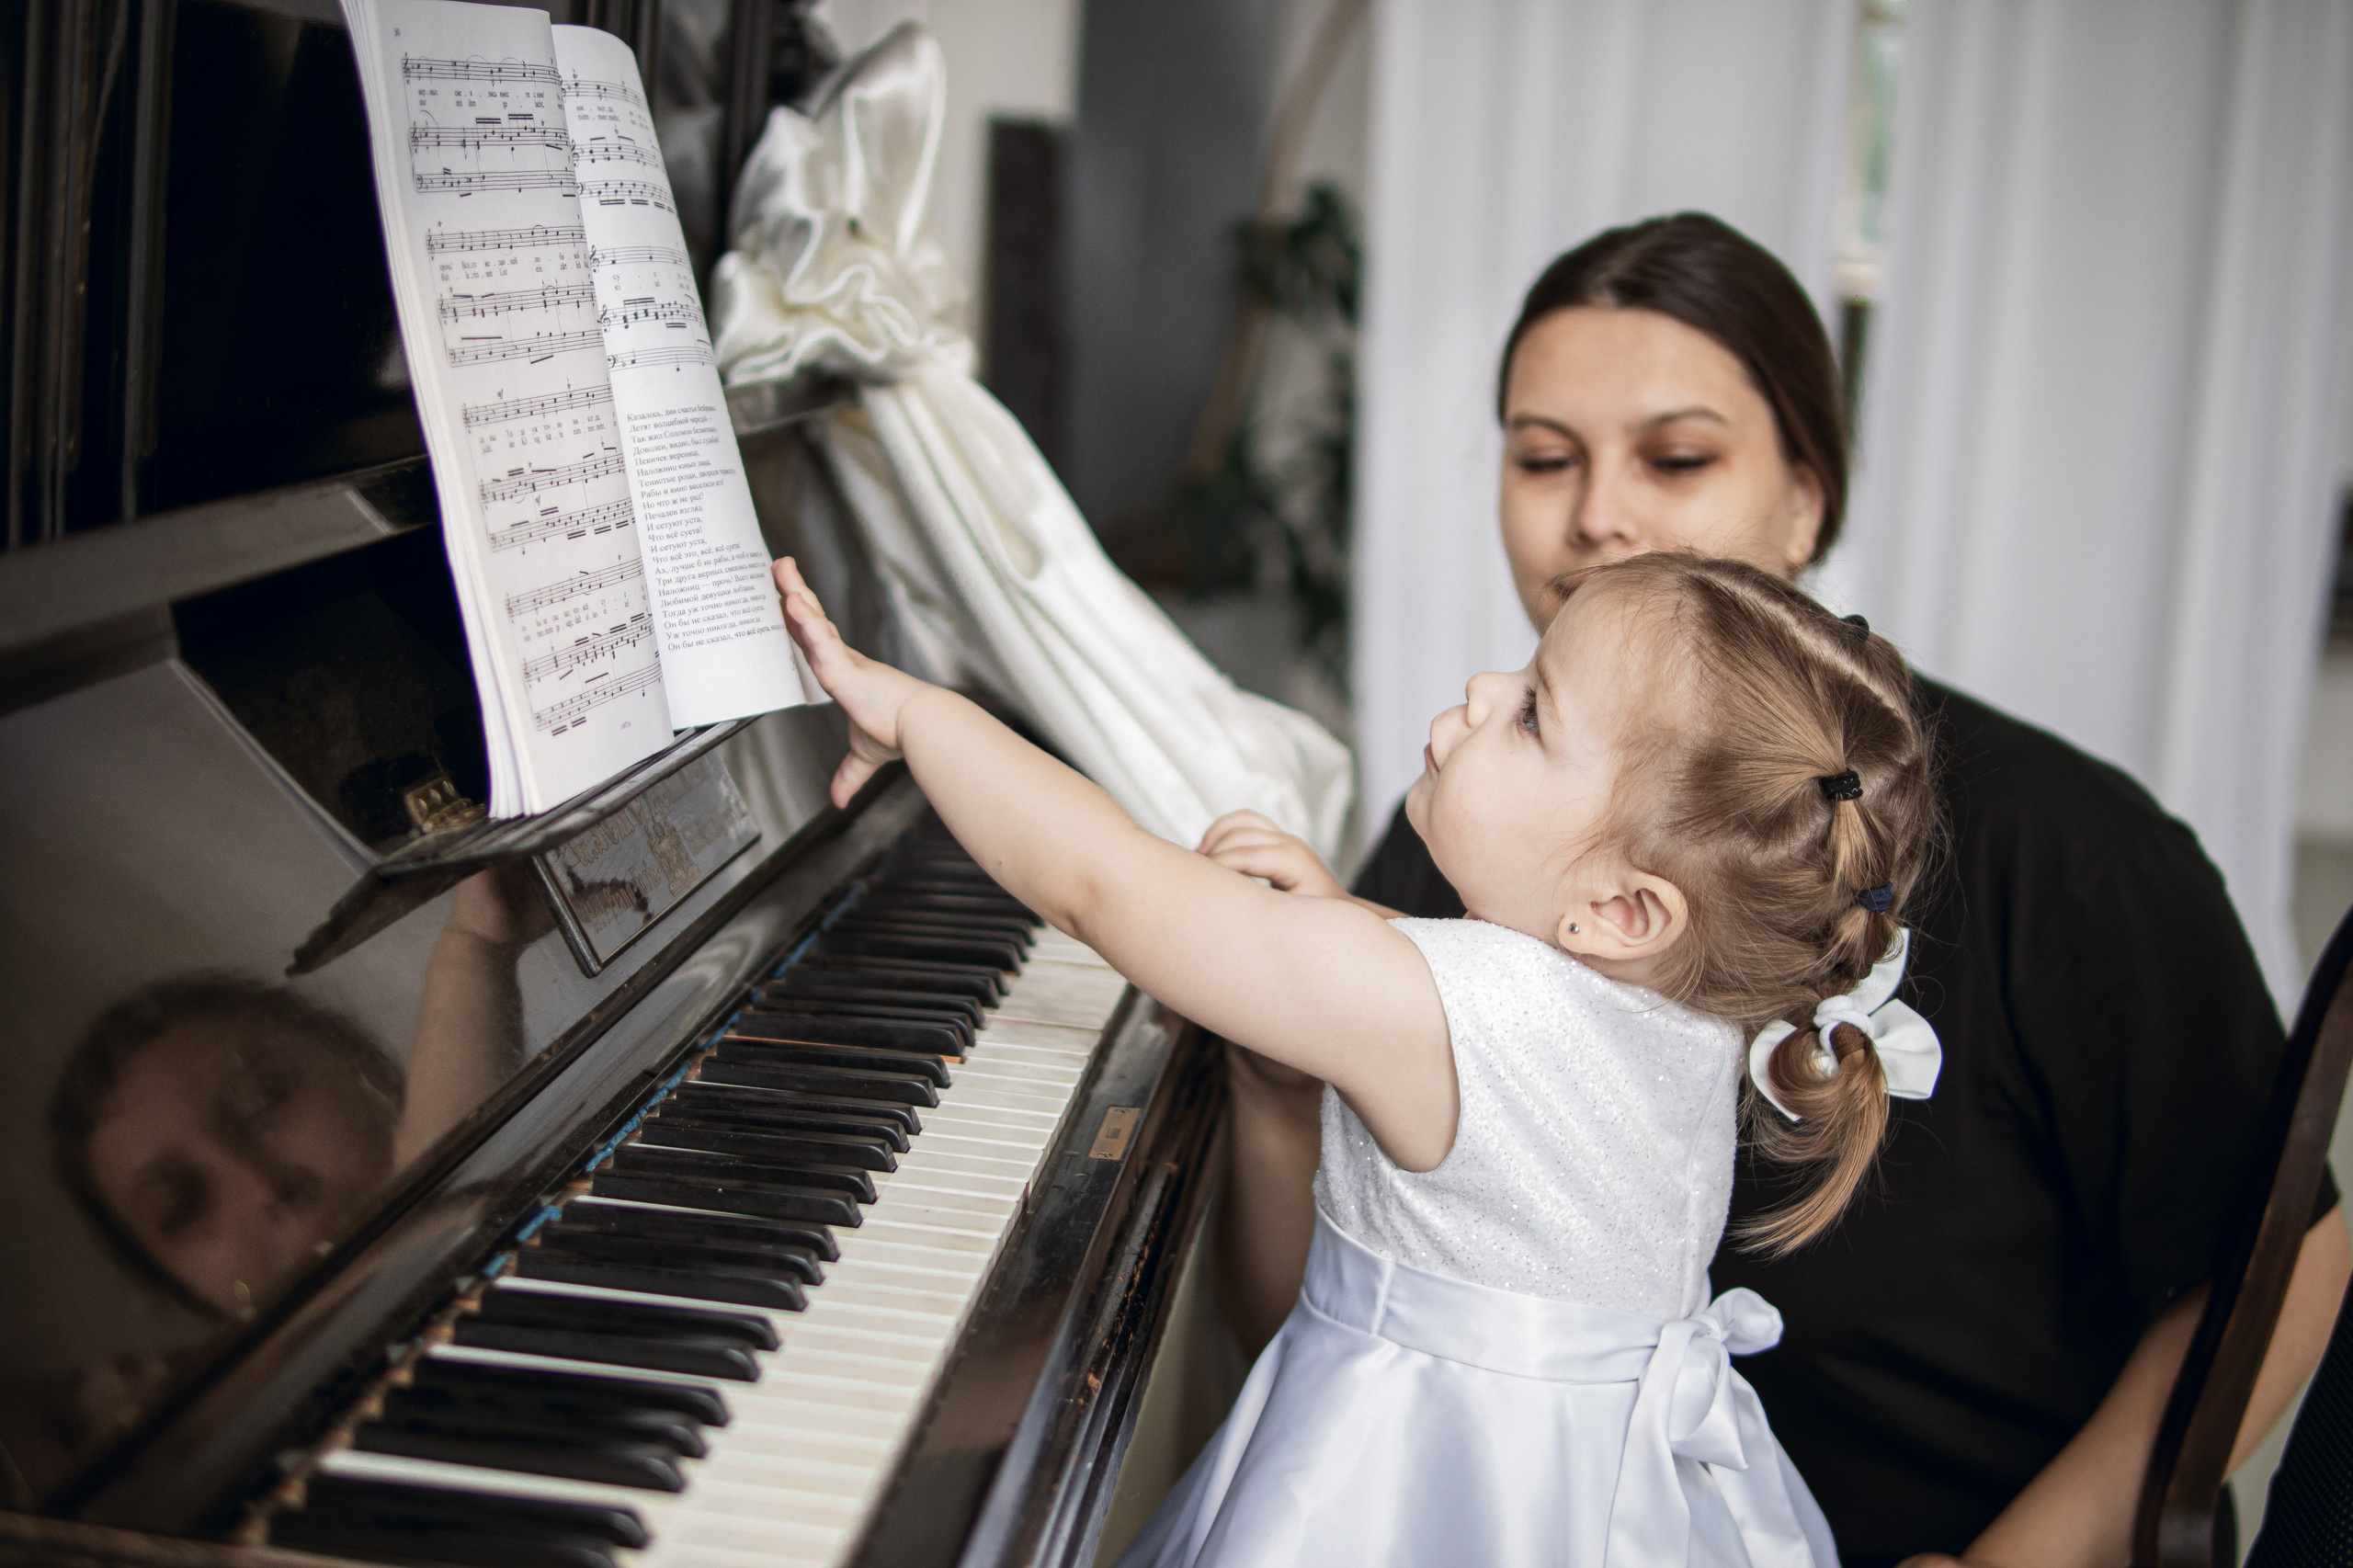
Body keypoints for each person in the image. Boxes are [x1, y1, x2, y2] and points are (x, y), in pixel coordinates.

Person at [1200, 212, 2352, 1568]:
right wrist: (1278, 1104)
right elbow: (1332, 1337)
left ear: (1808, 499)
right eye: (1541, 457)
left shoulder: (2074, 853)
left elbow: (2286, 1263)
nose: (1597, 516)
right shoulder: (1473, 832)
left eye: (1675, 457)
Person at [775, 547, 1938, 1565]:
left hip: (1407, 1495)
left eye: (1533, 711)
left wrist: (924, 717)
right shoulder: (1689, 1022)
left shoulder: (1436, 1012)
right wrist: (1346, 919)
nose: (1485, 686)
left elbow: (1100, 886)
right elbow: (1496, 1025)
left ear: (1620, 911)